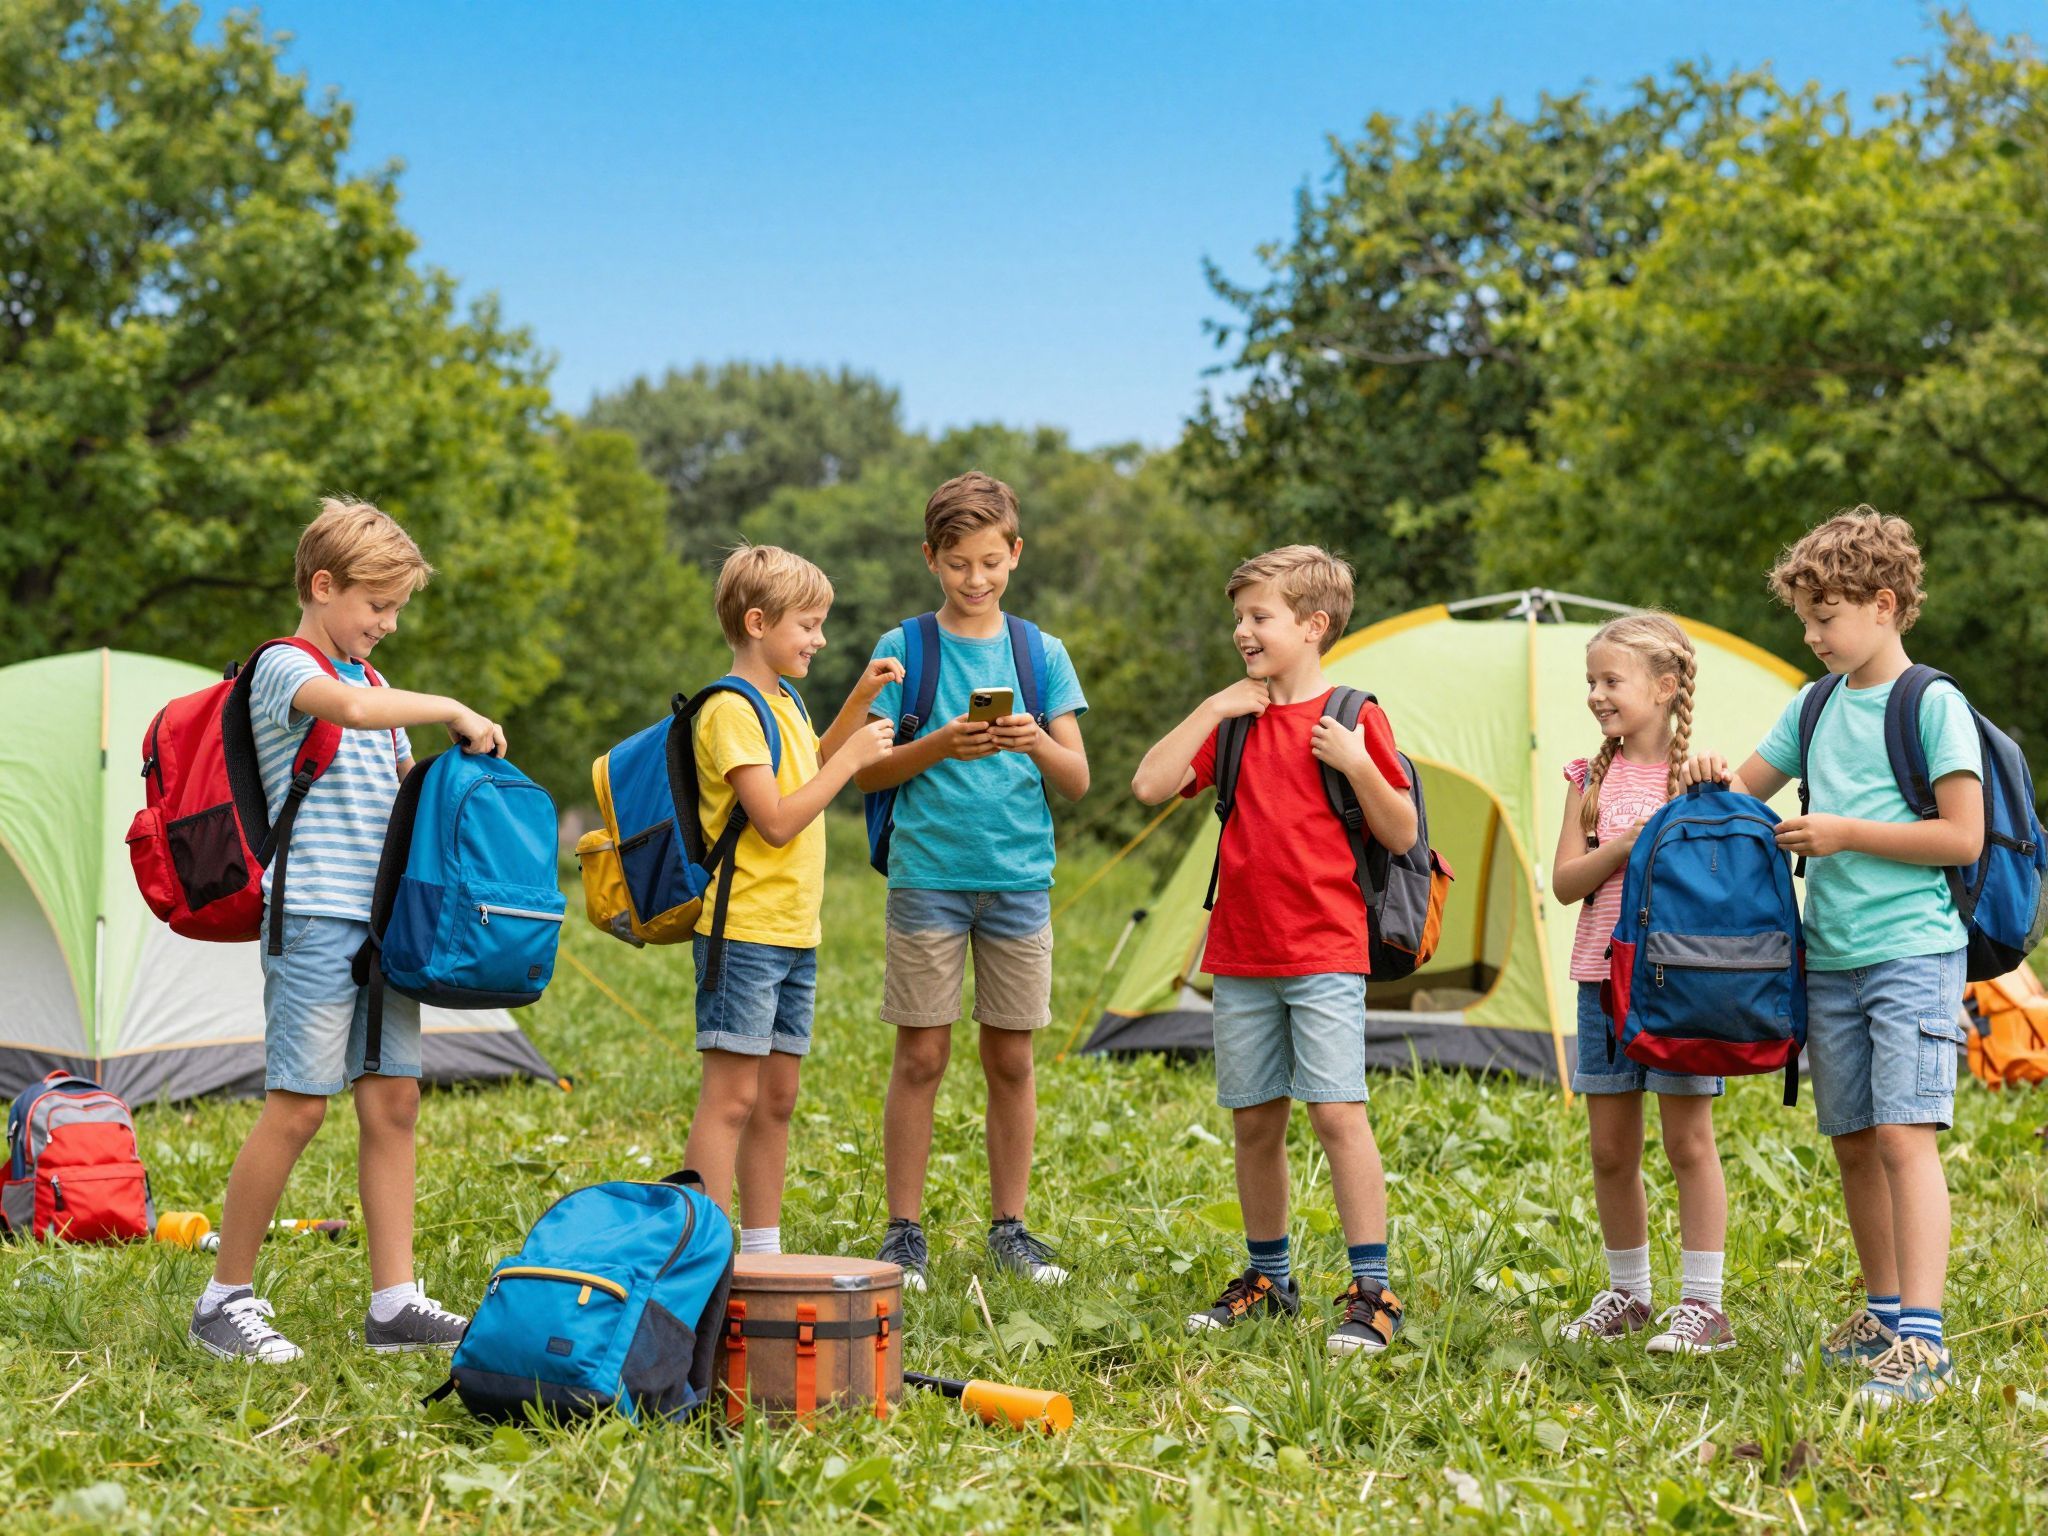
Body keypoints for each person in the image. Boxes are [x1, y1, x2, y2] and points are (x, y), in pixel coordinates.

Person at [190, 498, 505, 1363]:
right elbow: (348, 714)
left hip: (381, 926)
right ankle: (222, 1299)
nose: (388, 623)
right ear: (323, 585)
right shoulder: (283, 669)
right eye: (377, 604)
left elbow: (399, 791)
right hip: (313, 917)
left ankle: (395, 1303)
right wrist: (451, 706)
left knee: (394, 1102)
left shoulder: (376, 686)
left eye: (397, 608)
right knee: (297, 1107)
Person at [1684, 508, 1982, 1407]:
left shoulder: (1931, 704)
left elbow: (1962, 837)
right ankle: (1883, 1316)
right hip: (1832, 956)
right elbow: (1745, 794)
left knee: (1903, 1136)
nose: (1812, 637)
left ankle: (1924, 1342)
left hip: (1914, 950)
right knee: (1853, 1140)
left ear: (1883, 605)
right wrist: (1707, 778)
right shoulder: (1812, 706)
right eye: (1806, 620)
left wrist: (1845, 832)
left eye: (1826, 617)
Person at [1132, 545, 1417, 1356]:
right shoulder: (1235, 724)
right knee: (1255, 1121)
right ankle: (1269, 1280)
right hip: (1242, 953)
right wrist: (1212, 708)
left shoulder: (1354, 716)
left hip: (1325, 950)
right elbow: (1149, 786)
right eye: (1239, 617)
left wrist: (1357, 764)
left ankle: (1372, 1290)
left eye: (1260, 616)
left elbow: (1401, 833)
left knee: (1336, 1113)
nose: (1243, 631)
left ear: (1313, 625)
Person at [855, 472, 1090, 1289]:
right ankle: (903, 1231)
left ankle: (1010, 1229)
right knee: (921, 1054)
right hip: (927, 876)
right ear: (931, 559)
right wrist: (940, 745)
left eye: (990, 561)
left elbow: (1078, 779)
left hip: (1019, 880)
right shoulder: (904, 647)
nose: (976, 578)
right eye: (958, 563)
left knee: (1012, 1060)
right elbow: (866, 772)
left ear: (1015, 553)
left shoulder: (1040, 653)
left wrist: (1033, 740)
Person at [676, 545, 899, 1249]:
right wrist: (857, 760)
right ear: (757, 623)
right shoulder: (730, 711)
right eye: (808, 625)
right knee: (731, 1099)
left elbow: (814, 764)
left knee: (776, 1099)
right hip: (742, 930)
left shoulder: (784, 701)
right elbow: (775, 819)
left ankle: (761, 1250)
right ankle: (701, 1256)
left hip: (794, 932)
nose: (820, 639)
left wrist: (857, 704)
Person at [1551, 614, 1733, 1355]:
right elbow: (1566, 883)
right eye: (1590, 681)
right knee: (1609, 1151)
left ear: (1664, 688)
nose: (1596, 694)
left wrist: (1710, 792)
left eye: (1610, 680)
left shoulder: (1695, 780)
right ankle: (1628, 1293)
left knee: (1688, 1143)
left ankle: (1705, 1305)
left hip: (1675, 988)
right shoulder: (1588, 779)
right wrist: (1625, 844)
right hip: (1601, 983)